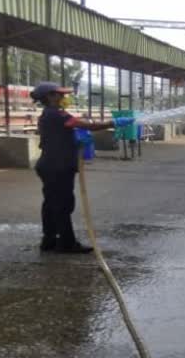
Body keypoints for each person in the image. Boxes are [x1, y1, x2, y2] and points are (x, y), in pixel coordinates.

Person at [30, 82, 135, 254]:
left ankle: (49, 240)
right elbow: (88, 125)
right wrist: (113, 122)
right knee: (63, 205)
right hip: (58, 167)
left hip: (51, 165)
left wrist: (74, 139)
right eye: (60, 94)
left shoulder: (49, 115)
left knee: (51, 204)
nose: (64, 97)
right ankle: (67, 243)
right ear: (50, 96)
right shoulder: (57, 115)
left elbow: (63, 133)